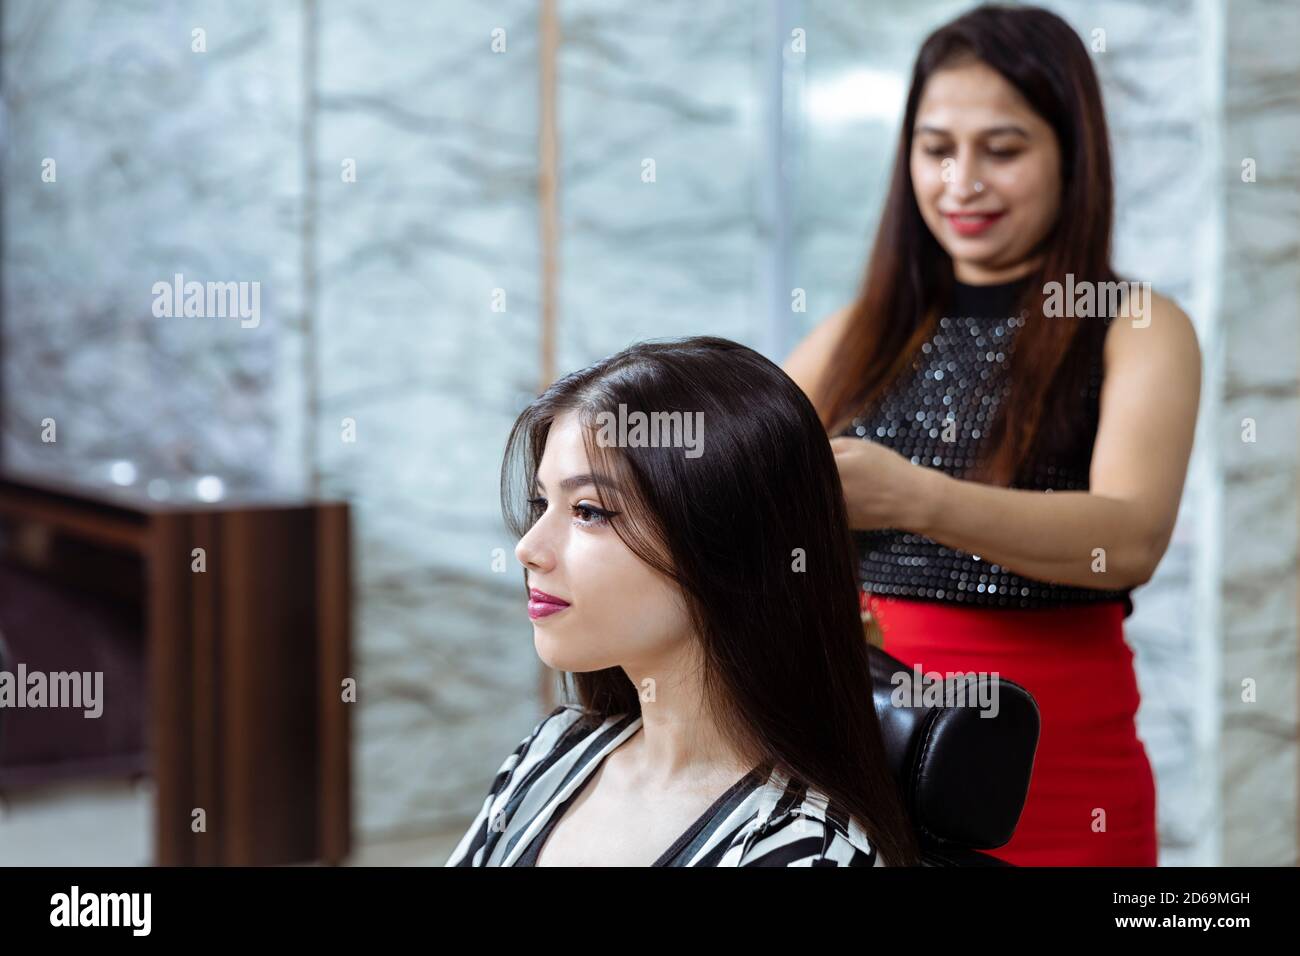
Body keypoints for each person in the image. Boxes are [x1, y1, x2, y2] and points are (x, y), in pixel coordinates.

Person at [783, 4, 1201, 865]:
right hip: (869, 750)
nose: (961, 181)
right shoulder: (854, 332)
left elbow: (1128, 538)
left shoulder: (1133, 325)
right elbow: (741, 482)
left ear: (1071, 156)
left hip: (1057, 768)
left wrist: (914, 497)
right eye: (937, 149)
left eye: (1001, 150)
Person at [446, 337, 919, 866]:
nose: (528, 547)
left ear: (727, 545)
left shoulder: (802, 852)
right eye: (541, 503)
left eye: (588, 511)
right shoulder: (553, 751)